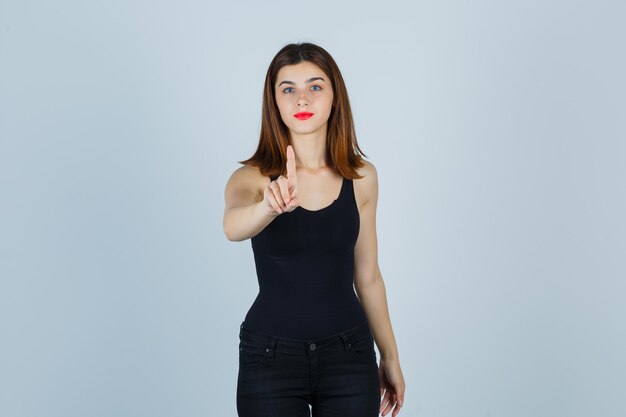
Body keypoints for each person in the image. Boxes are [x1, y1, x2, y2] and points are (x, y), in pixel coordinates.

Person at [223, 42, 405, 417]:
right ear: (273, 101)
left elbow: (368, 276)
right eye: (287, 88)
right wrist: (268, 207)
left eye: (315, 86)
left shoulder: (362, 177)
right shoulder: (252, 178)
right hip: (270, 359)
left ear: (335, 96)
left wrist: (390, 356)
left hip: (349, 356)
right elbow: (232, 226)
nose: (301, 99)